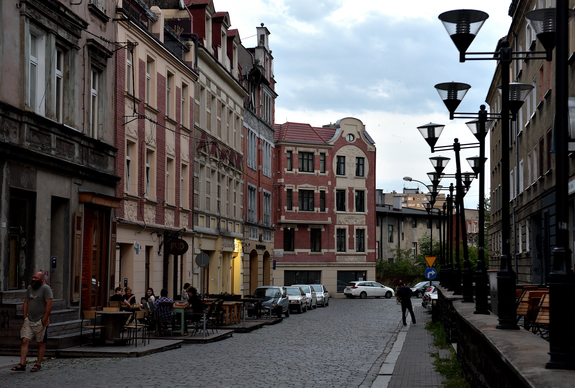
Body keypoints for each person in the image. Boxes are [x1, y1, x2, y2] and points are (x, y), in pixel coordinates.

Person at [12, 271, 53, 372]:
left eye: (36, 278)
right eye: (33, 277)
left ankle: (38, 364)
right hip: (29, 320)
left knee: (40, 343)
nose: (34, 279)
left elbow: (49, 304)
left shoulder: (46, 289)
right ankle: (22, 363)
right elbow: (26, 301)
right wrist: (25, 315)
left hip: (40, 320)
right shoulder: (30, 288)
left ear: (42, 280)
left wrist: (44, 318)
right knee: (25, 340)